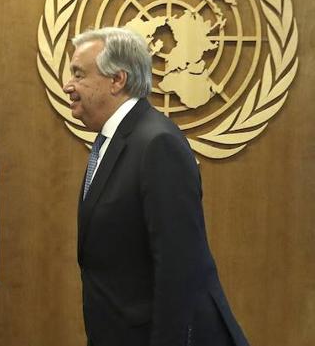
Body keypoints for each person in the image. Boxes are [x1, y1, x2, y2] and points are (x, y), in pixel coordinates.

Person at [63, 27, 249, 346]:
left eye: (79, 74)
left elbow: (179, 267)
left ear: (117, 80)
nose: (69, 86)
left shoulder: (157, 143)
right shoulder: (115, 139)